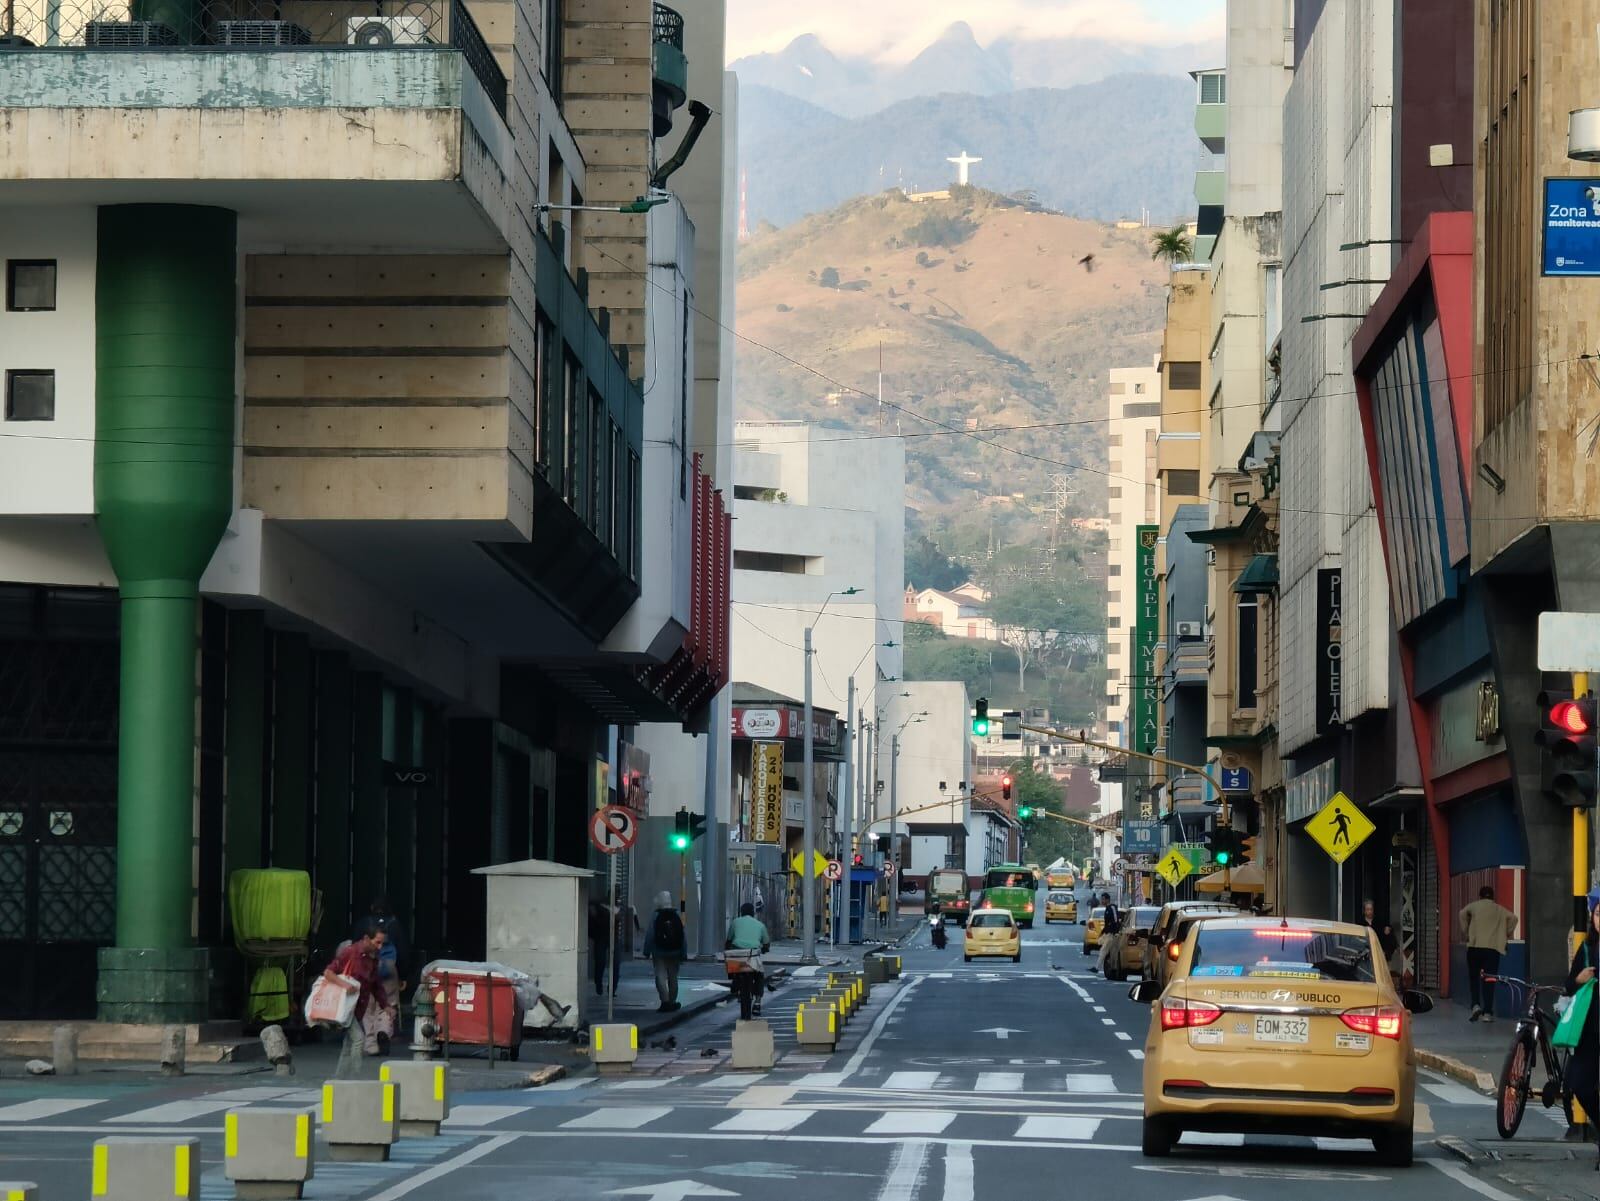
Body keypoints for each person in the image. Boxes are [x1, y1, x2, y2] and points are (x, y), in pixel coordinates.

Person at [323, 923, 385, 1077]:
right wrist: (344, 985)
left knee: (348, 1044)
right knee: (358, 1039)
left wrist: (386, 1005)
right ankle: (355, 1078)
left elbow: (375, 984)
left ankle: (340, 1079)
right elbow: (328, 972)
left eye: (382, 942)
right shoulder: (350, 952)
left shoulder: (373, 958)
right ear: (366, 939)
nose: (380, 946)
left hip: (356, 1007)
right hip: (345, 1005)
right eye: (377, 942)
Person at [1564, 890, 1600, 1131]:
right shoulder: (1587, 948)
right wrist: (1579, 978)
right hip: (1589, 1029)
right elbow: (1568, 985)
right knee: (1578, 1085)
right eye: (1598, 913)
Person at [1460, 884, 1518, 1021]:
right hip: (1492, 950)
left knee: (1474, 977)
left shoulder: (1474, 906)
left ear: (1480, 897)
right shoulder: (1499, 909)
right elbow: (1514, 918)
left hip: (1475, 947)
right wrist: (1505, 933)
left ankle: (1475, 1005)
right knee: (1489, 980)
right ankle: (1487, 1013)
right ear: (1493, 897)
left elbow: (1462, 913)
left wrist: (1467, 931)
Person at [725, 902, 771, 1020]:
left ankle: (735, 985)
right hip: (752, 955)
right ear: (753, 913)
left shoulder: (735, 922)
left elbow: (729, 939)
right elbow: (766, 943)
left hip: (737, 954)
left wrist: (727, 947)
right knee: (759, 975)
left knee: (733, 968)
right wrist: (765, 948)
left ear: (741, 912)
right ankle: (757, 1002)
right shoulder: (760, 925)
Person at [643, 891, 687, 1013]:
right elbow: (683, 936)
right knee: (673, 977)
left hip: (659, 952)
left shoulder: (656, 916)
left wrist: (647, 951)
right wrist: (684, 953)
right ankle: (672, 1002)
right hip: (675, 952)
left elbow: (650, 934)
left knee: (660, 976)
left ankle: (665, 1001)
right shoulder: (676, 915)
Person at [1362, 898, 1399, 967]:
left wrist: (1388, 929)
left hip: (1379, 952)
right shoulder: (1360, 922)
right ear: (1364, 911)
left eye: (1371, 909)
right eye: (1368, 909)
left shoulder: (1379, 921)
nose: (1370, 912)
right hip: (1365, 952)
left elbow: (1388, 931)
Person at [1096, 891, 1121, 976]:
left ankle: (1097, 968)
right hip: (1108, 933)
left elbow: (1115, 920)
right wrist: (1102, 932)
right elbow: (1107, 923)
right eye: (1101, 899)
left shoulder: (1112, 908)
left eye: (1103, 899)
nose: (1102, 901)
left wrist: (1114, 931)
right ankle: (1110, 968)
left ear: (1107, 899)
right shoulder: (1107, 909)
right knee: (1105, 949)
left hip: (1112, 934)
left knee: (1104, 950)